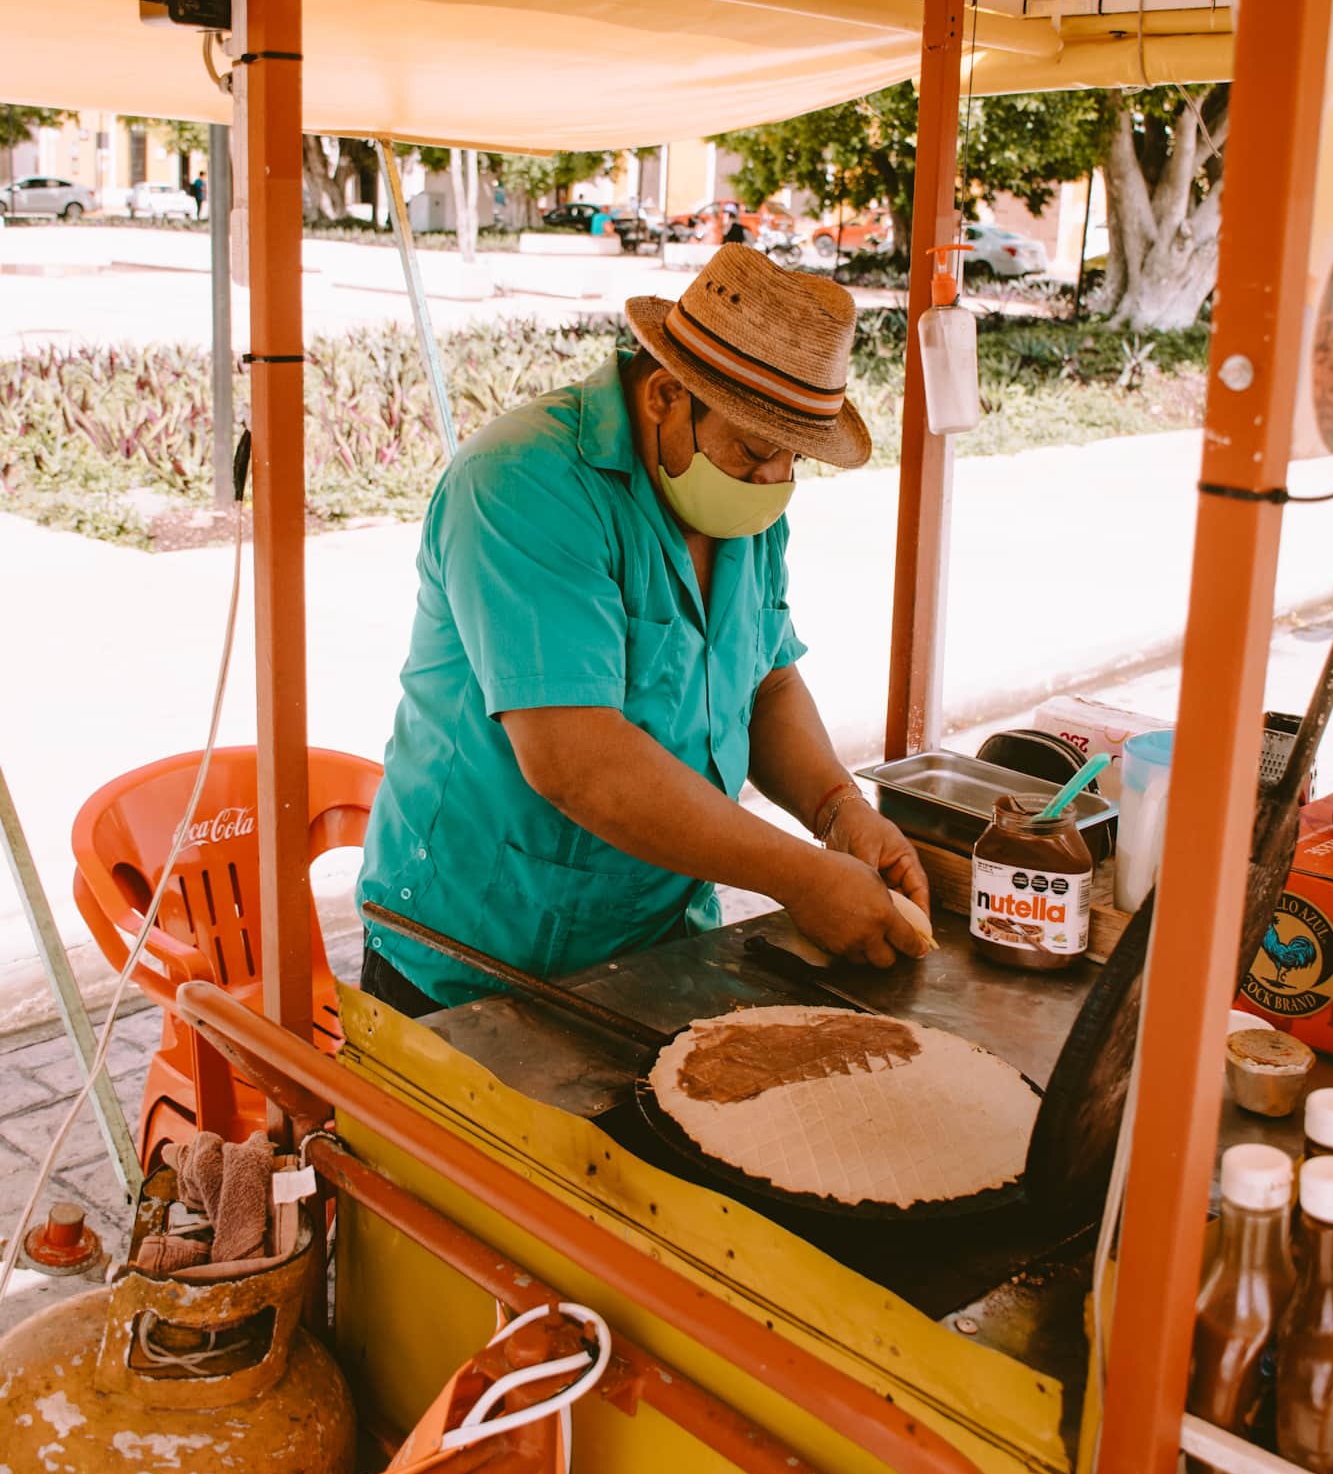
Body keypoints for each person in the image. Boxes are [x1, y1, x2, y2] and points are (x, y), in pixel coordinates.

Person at [357, 241, 930, 1016]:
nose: (773, 483)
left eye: (794, 460)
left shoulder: (743, 504)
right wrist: (799, 876)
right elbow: (575, 760)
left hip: (658, 945)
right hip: (479, 955)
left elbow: (768, 681)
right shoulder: (520, 483)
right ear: (664, 395)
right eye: (758, 451)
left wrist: (838, 810)